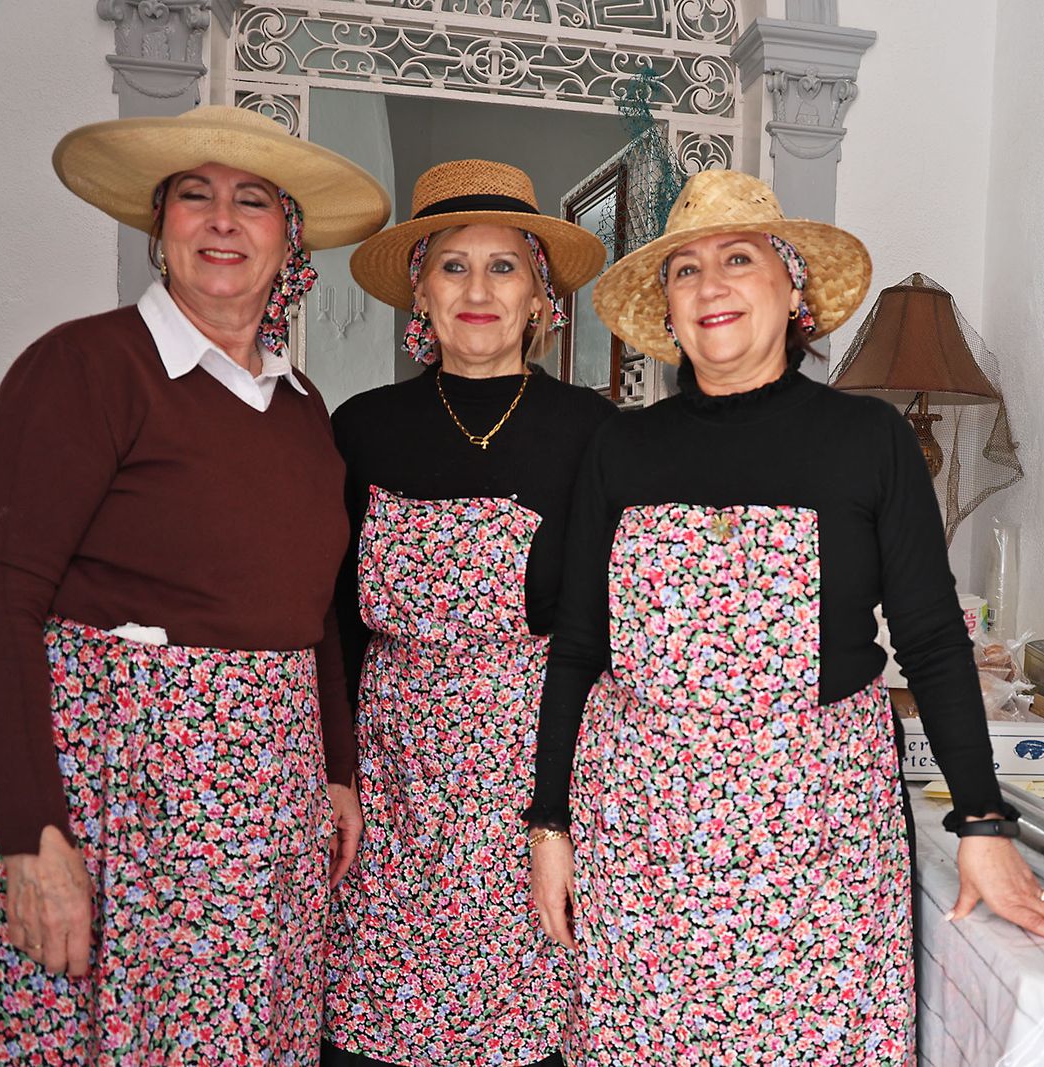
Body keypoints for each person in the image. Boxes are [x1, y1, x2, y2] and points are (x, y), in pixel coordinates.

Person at [525, 169, 1044, 1064]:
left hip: (818, 834)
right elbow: (578, 648)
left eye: (739, 258)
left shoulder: (865, 441)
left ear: (792, 289)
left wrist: (983, 823)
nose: (710, 284)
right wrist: (549, 825)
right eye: (684, 270)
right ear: (668, 312)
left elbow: (934, 643)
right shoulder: (620, 447)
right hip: (643, 833)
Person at [0, 105, 391, 1064]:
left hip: (266, 808)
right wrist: (30, 833)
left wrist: (337, 768)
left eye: (252, 202)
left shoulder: (304, 405)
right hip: (116, 799)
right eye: (195, 197)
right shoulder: (82, 366)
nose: (222, 221)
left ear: (289, 237)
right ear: (160, 229)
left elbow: (311, 607)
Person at [322, 159, 615, 1067]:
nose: (478, 289)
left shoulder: (594, 431)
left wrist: (561, 808)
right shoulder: (359, 426)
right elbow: (329, 618)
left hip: (536, 781)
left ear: (540, 294)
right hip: (391, 783)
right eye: (453, 265)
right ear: (420, 290)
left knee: (529, 1036)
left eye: (503, 267)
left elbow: (609, 628)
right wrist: (336, 773)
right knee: (377, 1031)